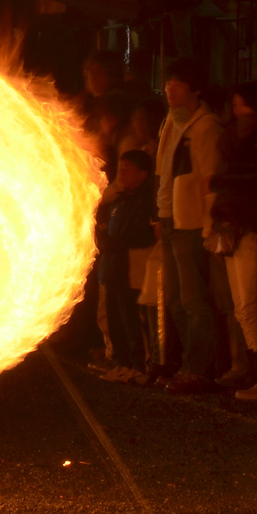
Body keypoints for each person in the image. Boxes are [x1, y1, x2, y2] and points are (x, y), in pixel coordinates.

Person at [212, 80, 257, 400]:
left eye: (245, 106)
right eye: (237, 106)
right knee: (243, 307)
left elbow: (255, 187)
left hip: (253, 230)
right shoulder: (238, 143)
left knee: (250, 304)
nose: (239, 113)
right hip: (234, 228)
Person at [155, 57, 224, 390]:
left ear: (195, 88)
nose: (170, 89)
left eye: (178, 83)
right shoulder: (171, 121)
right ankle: (188, 362)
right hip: (170, 219)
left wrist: (209, 226)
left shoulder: (206, 126)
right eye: (168, 83)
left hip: (191, 222)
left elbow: (211, 178)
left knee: (194, 299)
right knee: (174, 299)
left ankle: (198, 367)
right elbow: (163, 171)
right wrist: (159, 212)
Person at [96, 149, 157, 382]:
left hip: (131, 270)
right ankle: (121, 363)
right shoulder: (117, 200)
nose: (120, 173)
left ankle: (139, 365)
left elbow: (145, 235)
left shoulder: (145, 200)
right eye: (119, 168)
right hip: (111, 270)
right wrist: (104, 240)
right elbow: (102, 226)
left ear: (142, 174)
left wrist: (114, 242)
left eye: (127, 169)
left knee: (131, 319)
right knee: (115, 320)